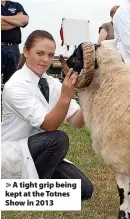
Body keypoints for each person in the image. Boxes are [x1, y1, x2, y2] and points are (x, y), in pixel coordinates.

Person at [1, 30, 93, 200]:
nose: (46, 60)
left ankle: (25, 190)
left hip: (43, 152)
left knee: (84, 191)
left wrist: (89, 95)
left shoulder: (52, 82)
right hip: (14, 153)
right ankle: (23, 191)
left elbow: (77, 121)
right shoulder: (15, 86)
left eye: (50, 55)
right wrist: (66, 95)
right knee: (58, 139)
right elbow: (49, 125)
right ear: (26, 52)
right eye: (40, 53)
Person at [1, 0, 29, 83]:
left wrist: (2, 18)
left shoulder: (16, 5)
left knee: (12, 80)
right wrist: (16, 22)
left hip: (13, 48)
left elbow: (24, 21)